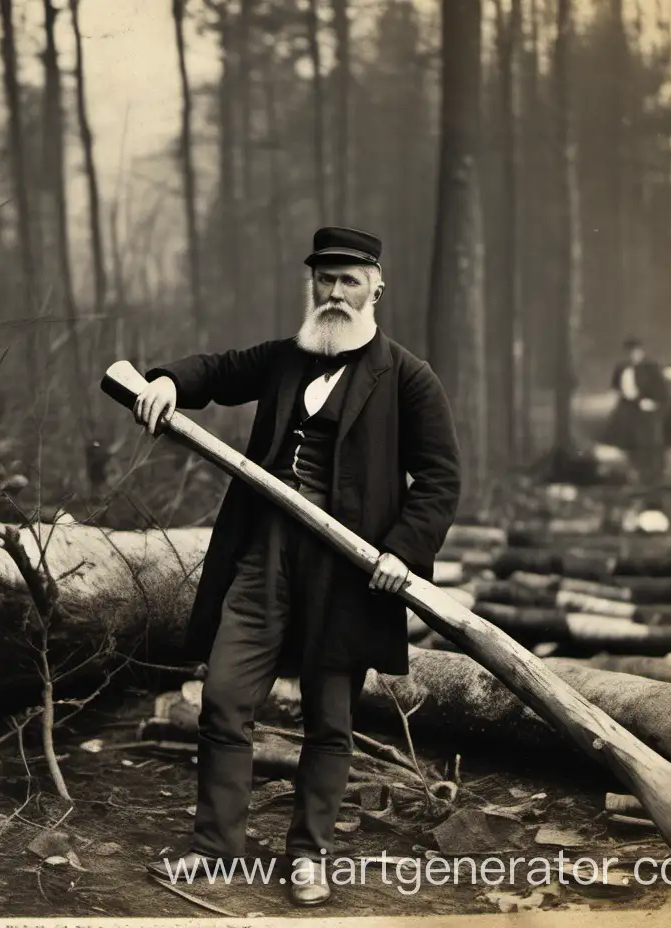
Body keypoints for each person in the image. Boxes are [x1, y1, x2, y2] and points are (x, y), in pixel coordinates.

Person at [134, 227, 461, 906]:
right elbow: (218, 371)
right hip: (263, 554)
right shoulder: (285, 360)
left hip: (348, 570)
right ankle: (217, 847)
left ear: (377, 286)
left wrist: (403, 550)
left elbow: (439, 477)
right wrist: (167, 379)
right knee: (224, 696)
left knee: (329, 718)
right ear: (311, 287)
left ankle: (309, 853)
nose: (335, 293)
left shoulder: (405, 376)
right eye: (324, 280)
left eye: (348, 280)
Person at [605, 338, 669, 484]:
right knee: (624, 440)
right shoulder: (621, 368)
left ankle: (652, 473)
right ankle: (632, 471)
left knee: (647, 440)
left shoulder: (651, 368)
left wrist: (651, 402)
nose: (632, 355)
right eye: (629, 352)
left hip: (646, 407)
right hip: (627, 407)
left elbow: (661, 391)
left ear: (641, 352)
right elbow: (616, 387)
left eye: (635, 352)